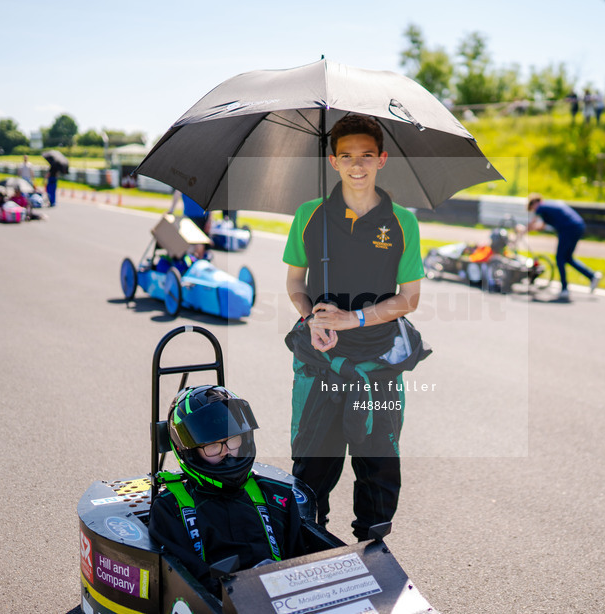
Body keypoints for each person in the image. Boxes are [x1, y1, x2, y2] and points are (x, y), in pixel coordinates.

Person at [283, 114, 429, 541]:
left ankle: (373, 548)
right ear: (333, 161)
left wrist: (354, 319)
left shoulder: (403, 221)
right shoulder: (310, 215)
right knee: (312, 467)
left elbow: (409, 299)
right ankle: (312, 548)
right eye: (347, 156)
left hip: (379, 361)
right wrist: (312, 318)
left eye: (366, 155)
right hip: (320, 362)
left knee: (378, 464)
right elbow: (295, 283)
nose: (357, 165)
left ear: (382, 159)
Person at [148, 385, 306, 592]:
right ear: (189, 451)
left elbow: (304, 563)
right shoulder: (169, 510)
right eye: (212, 445)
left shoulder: (277, 496)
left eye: (232, 440)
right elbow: (188, 586)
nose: (227, 452)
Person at [527, 193, 601, 301]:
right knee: (567, 258)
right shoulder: (549, 205)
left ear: (534, 203)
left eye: (532, 207)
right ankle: (592, 276)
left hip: (568, 229)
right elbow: (540, 226)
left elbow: (532, 223)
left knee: (560, 258)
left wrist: (523, 231)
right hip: (578, 226)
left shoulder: (541, 207)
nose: (533, 210)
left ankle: (564, 288)